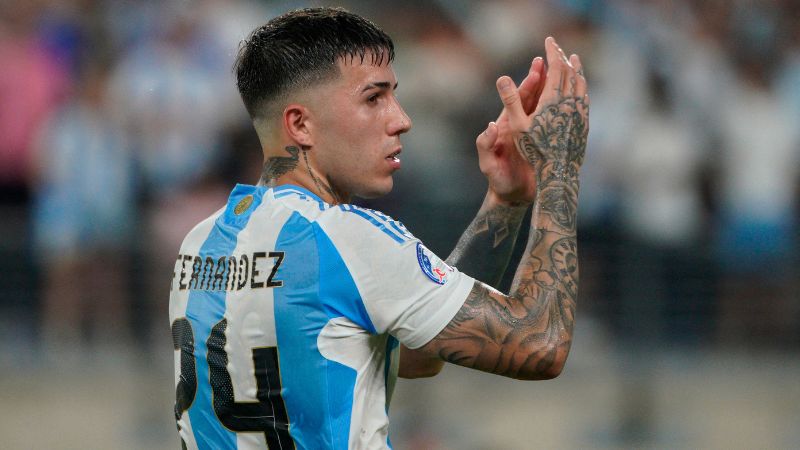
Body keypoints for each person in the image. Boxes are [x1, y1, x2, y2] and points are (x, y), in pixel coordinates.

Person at [169, 7, 588, 449]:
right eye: (374, 98)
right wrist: (559, 168)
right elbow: (540, 345)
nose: (401, 119)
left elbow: (419, 351)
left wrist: (505, 202)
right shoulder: (348, 238)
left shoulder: (199, 245)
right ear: (300, 124)